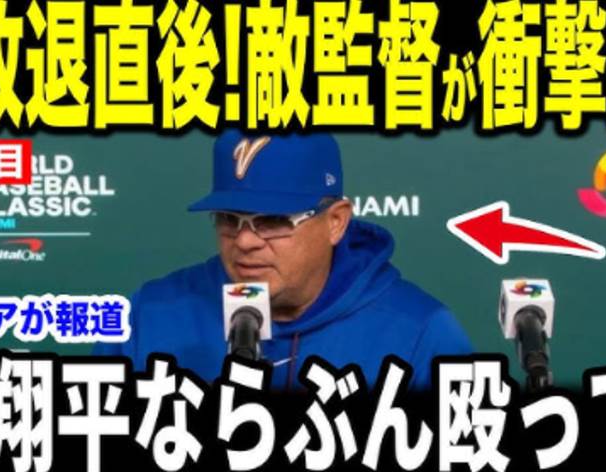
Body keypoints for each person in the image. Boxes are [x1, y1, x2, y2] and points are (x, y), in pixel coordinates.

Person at [94, 130, 473, 390]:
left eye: (273, 221)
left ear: (336, 222)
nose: (245, 241)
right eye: (229, 218)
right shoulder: (148, 316)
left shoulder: (421, 332)